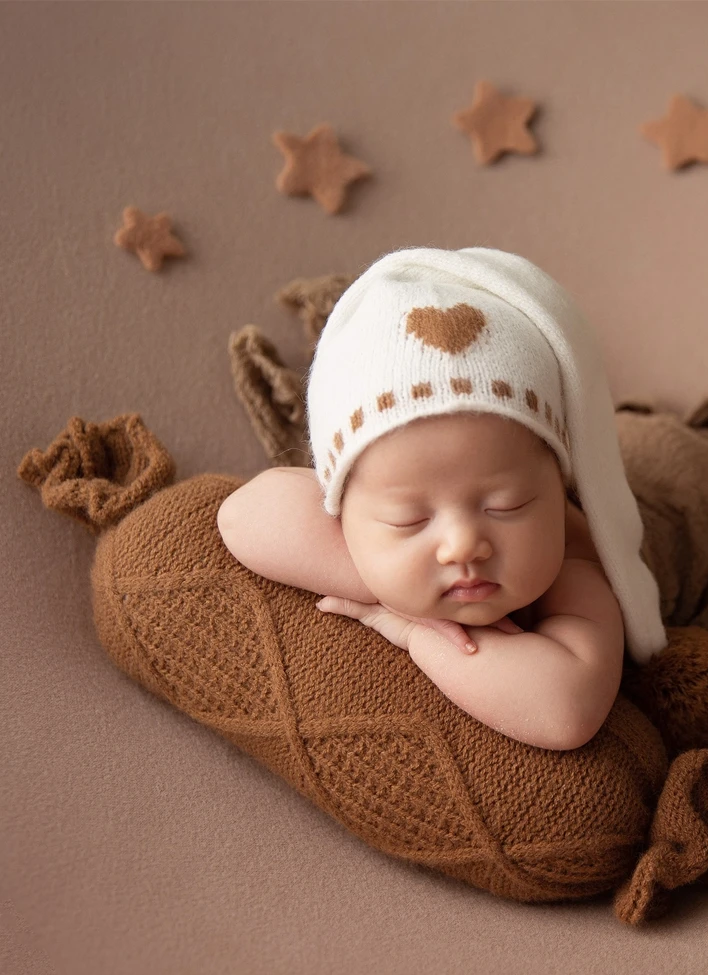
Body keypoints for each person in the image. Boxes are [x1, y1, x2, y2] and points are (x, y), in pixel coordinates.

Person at [217, 246, 666, 751]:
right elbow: (241, 516)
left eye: (507, 506)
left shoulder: (575, 564)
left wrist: (414, 632)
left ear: (557, 489)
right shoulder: (355, 506)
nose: (462, 545)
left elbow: (564, 711)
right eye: (409, 519)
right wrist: (388, 587)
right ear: (340, 509)